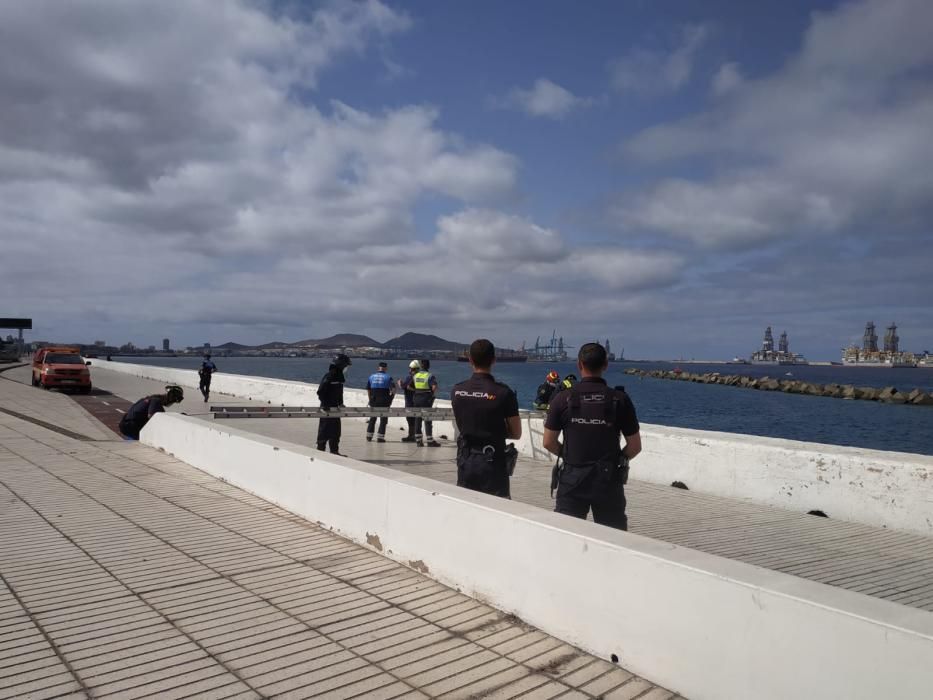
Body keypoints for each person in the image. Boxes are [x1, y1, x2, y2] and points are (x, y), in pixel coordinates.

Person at [543, 342, 641, 531]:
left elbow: (548, 442)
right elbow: (635, 446)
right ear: (606, 365)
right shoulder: (619, 400)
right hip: (608, 480)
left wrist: (568, 455)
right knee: (614, 541)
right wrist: (617, 459)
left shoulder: (562, 399)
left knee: (566, 538)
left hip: (572, 478)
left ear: (579, 365)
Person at [451, 339, 522, 498]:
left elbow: (463, 422)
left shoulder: (457, 390)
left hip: (465, 460)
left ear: (470, 360)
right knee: (498, 510)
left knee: (466, 508)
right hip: (493, 462)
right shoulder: (504, 393)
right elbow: (516, 433)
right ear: (494, 360)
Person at [119, 385, 184, 440]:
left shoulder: (150, 399)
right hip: (131, 428)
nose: (171, 403)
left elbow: (162, 416)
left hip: (125, 425)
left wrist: (178, 416)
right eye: (173, 401)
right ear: (170, 398)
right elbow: (152, 417)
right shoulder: (156, 401)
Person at [316, 353, 351, 454]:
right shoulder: (330, 375)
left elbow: (340, 393)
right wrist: (324, 405)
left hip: (335, 408)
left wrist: (341, 403)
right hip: (326, 408)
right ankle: (320, 451)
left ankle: (334, 452)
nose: (346, 368)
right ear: (340, 365)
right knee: (324, 430)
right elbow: (321, 391)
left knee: (336, 431)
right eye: (345, 366)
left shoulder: (339, 377)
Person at [412, 358, 441, 447]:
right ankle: (429, 440)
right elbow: (434, 387)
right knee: (427, 419)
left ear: (421, 366)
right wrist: (432, 394)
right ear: (428, 366)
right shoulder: (430, 376)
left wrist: (417, 391)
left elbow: (410, 387)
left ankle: (418, 440)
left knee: (418, 418)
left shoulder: (416, 375)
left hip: (416, 398)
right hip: (426, 398)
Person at [366, 361, 395, 443]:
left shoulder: (371, 377)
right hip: (384, 400)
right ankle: (380, 437)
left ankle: (369, 436)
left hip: (374, 399)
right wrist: (390, 399)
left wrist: (370, 399)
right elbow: (393, 390)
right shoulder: (388, 377)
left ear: (378, 368)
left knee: (372, 418)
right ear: (385, 368)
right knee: (383, 419)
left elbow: (368, 389)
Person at [398, 360, 420, 442]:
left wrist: (400, 383)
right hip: (417, 402)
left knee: (410, 420)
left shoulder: (410, 377)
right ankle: (415, 436)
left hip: (410, 402)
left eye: (411, 369)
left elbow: (404, 386)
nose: (410, 370)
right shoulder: (420, 377)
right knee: (415, 420)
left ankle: (411, 436)